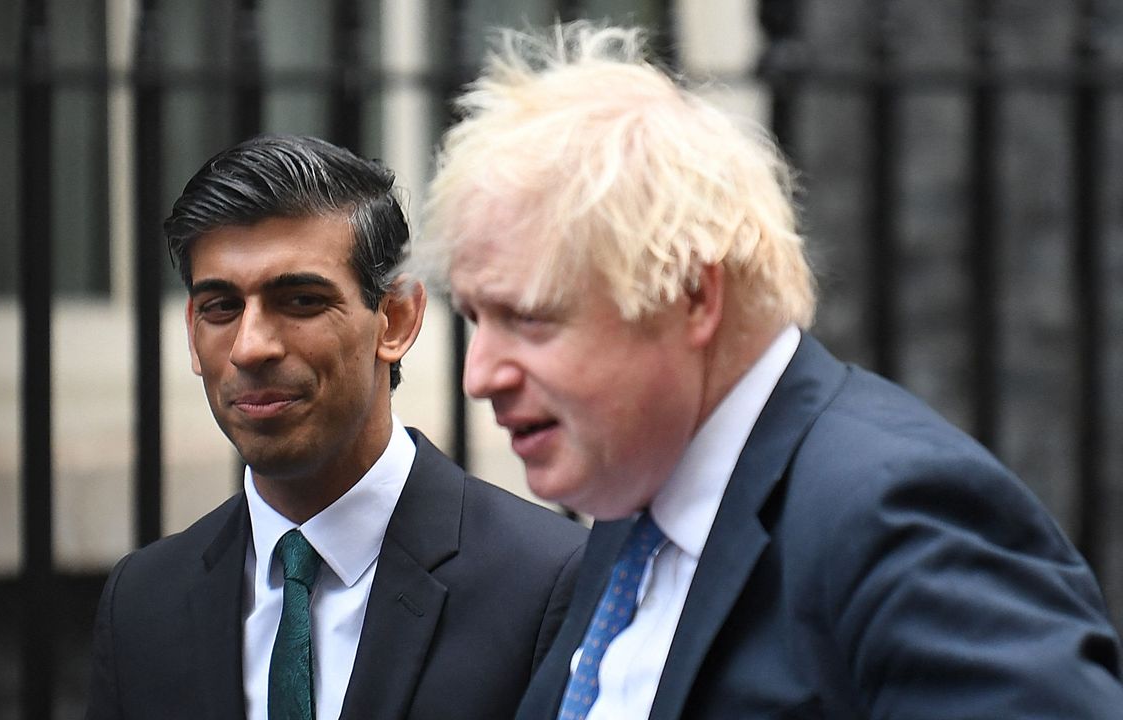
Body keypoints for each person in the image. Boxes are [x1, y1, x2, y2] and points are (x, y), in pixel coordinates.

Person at [416, 22, 1123, 720]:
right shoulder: (636, 510)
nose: (479, 375)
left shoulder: (898, 514)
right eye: (475, 319)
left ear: (692, 295)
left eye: (530, 318)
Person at [85, 134, 586, 720]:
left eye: (299, 300)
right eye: (221, 307)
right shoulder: (142, 602)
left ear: (396, 318)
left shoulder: (546, 582)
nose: (251, 347)